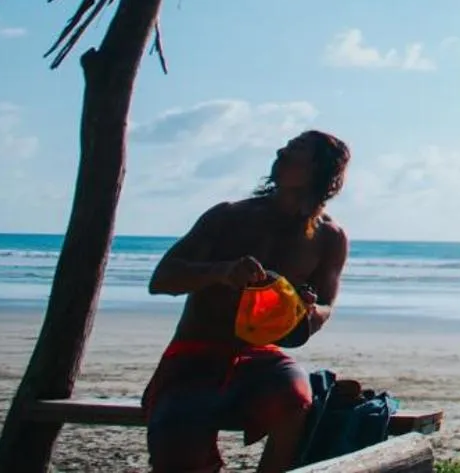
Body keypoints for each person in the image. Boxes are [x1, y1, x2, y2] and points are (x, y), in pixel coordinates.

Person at [143, 131, 351, 473]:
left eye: (296, 149)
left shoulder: (330, 237)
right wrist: (222, 272)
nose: (281, 150)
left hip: (260, 356)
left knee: (298, 400)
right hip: (194, 353)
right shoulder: (228, 216)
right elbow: (162, 279)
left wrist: (309, 310)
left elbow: (327, 304)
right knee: (178, 456)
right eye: (286, 145)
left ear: (320, 170)